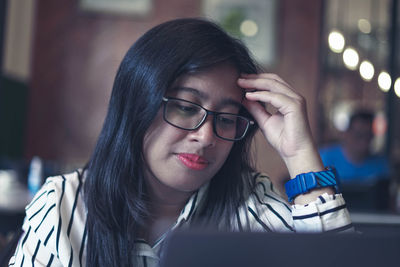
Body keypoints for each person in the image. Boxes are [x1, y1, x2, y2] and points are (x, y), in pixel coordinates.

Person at [9, 18, 352, 267]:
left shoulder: (250, 205)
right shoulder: (63, 205)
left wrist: (300, 156)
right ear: (136, 103)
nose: (205, 136)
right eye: (186, 108)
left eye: (227, 118)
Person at [319, 110, 390, 184]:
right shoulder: (324, 159)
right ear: (346, 134)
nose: (363, 142)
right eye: (359, 135)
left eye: (368, 136)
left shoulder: (380, 165)